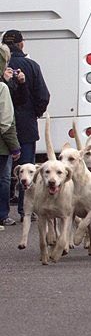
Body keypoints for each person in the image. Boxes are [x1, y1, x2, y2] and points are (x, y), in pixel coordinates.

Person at [1, 29, 50, 177]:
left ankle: (7, 198)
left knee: (4, 174)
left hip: (4, 128)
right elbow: (43, 96)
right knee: (27, 172)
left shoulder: (4, 67)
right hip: (26, 125)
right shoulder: (31, 65)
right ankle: (24, 199)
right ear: (21, 44)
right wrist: (34, 113)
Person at [0, 43, 21, 230]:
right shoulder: (2, 88)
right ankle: (2, 215)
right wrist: (15, 147)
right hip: (2, 145)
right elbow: (6, 122)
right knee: (4, 179)